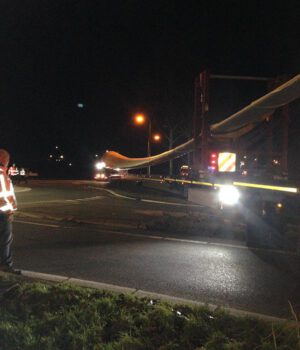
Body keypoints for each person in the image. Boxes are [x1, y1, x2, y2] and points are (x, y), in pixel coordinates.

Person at [0, 149, 20, 274]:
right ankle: (6, 266)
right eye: (7, 159)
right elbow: (4, 196)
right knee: (5, 240)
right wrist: (10, 211)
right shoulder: (1, 174)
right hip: (3, 213)